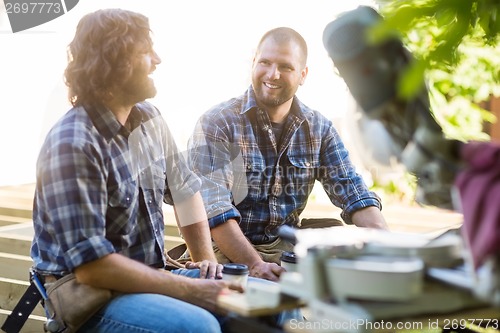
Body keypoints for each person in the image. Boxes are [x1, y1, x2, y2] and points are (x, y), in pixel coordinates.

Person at [30, 8, 242, 333]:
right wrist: (192, 290)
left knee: (259, 305)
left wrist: (206, 265)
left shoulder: (149, 119)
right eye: (145, 51)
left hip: (150, 274)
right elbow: (92, 268)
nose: (157, 59)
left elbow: (185, 192)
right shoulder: (73, 143)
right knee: (196, 326)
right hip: (89, 296)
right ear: (114, 62)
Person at [188, 27, 388, 282]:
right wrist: (255, 265)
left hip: (287, 253)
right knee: (277, 311)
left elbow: (354, 193)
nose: (273, 74)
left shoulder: (319, 129)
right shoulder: (218, 123)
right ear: (253, 63)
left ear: (303, 74)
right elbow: (214, 211)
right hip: (225, 254)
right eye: (265, 62)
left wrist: (389, 247)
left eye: (286, 66)